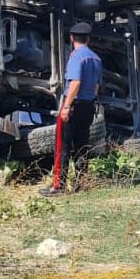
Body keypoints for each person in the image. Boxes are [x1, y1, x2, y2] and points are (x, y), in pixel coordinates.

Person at [39, 22, 102, 197]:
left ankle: (58, 186)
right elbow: (96, 86)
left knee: (63, 146)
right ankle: (82, 183)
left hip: (73, 107)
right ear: (88, 39)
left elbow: (75, 82)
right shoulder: (96, 59)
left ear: (72, 38)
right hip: (88, 107)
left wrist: (66, 106)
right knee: (82, 145)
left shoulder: (76, 57)